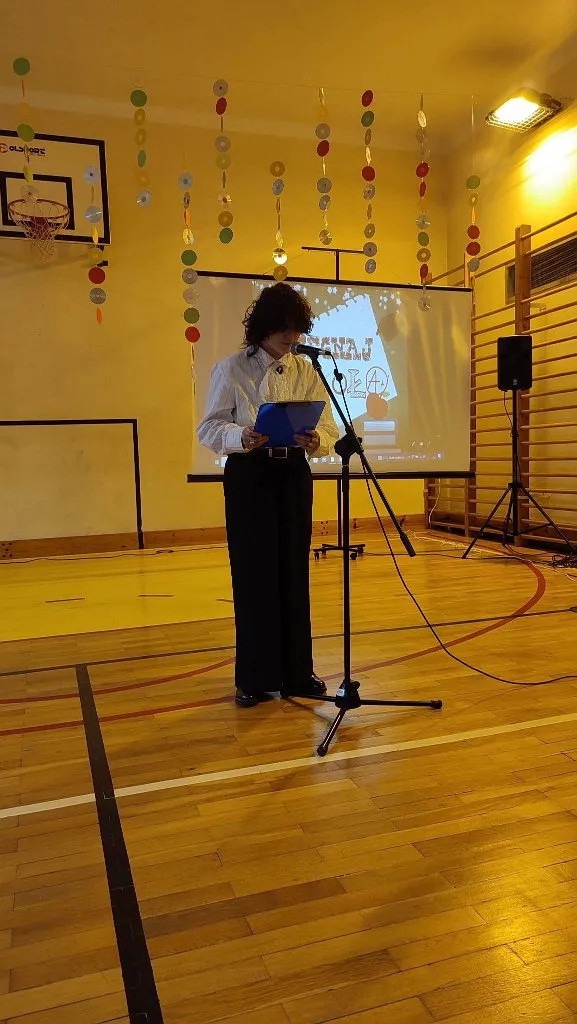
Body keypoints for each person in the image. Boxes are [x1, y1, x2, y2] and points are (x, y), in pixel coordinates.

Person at [197, 282, 340, 707]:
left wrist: (317, 439)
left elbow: (328, 425)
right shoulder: (231, 368)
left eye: (297, 329)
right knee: (253, 572)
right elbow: (209, 427)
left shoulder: (306, 369)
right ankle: (254, 678)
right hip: (250, 474)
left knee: (294, 571)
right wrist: (241, 435)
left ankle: (297, 671)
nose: (291, 337)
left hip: (293, 472)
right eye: (283, 328)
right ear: (263, 326)